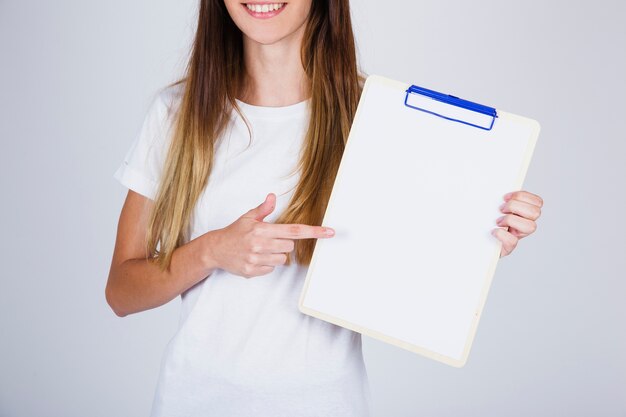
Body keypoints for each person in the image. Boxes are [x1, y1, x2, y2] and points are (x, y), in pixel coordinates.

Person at [105, 0, 544, 416]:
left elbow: (408, 265)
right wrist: (211, 251)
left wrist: (481, 237)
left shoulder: (375, 114)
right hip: (196, 402)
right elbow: (121, 291)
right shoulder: (176, 115)